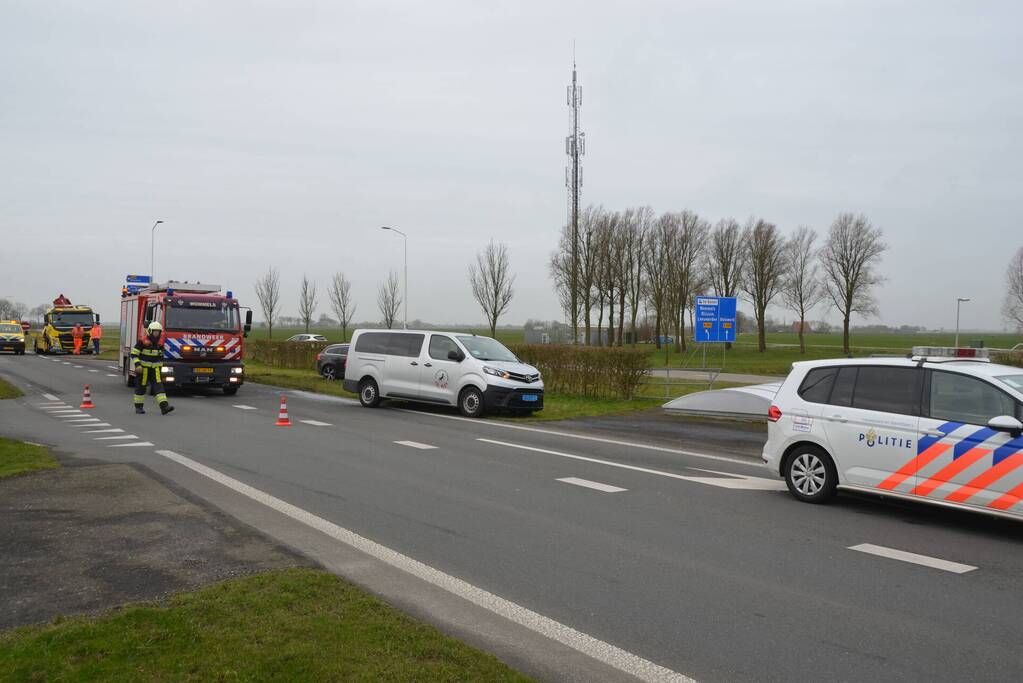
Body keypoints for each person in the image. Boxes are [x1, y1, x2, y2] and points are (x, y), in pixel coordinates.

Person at [131, 321, 174, 415]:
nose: (156, 334)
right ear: (150, 331)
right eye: (155, 332)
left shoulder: (160, 344)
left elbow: (161, 357)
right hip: (143, 370)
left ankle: (164, 407)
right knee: (141, 388)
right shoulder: (142, 342)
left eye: (158, 332)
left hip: (155, 370)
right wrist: (137, 365)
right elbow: (134, 354)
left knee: (159, 388)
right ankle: (139, 408)